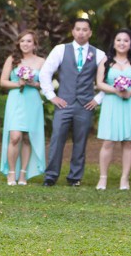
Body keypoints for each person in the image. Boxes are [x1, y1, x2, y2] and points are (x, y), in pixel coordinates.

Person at [38, 17, 105, 187]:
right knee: (57, 138)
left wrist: (97, 99)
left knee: (80, 141)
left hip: (85, 104)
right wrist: (51, 96)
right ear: (73, 31)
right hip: (64, 103)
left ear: (90, 32)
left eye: (85, 29)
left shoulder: (99, 54)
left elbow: (107, 79)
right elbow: (45, 73)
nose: (81, 32)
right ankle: (51, 176)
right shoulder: (61, 50)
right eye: (78, 29)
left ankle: (75, 177)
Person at [94, 29, 131, 190]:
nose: (122, 43)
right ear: (114, 43)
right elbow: (100, 83)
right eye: (119, 40)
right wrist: (115, 90)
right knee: (108, 141)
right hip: (112, 102)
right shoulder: (106, 61)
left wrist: (130, 92)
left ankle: (125, 179)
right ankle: (103, 178)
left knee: (128, 142)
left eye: (126, 40)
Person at [0, 30, 45, 186]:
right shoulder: (12, 60)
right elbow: (3, 81)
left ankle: (23, 174)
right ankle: (11, 172)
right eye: (22, 41)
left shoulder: (41, 62)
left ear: (35, 44)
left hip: (33, 101)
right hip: (16, 99)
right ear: (18, 43)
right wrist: (18, 83)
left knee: (26, 137)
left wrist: (34, 83)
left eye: (29, 41)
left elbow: (45, 84)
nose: (25, 44)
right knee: (15, 136)